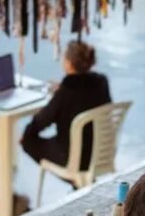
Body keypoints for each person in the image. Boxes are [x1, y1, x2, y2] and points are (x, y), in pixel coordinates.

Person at [21, 40, 111, 173]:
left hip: (72, 158)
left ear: (69, 63)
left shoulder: (66, 92)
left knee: (28, 141)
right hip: (100, 152)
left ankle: (76, 181)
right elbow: (84, 94)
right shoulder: (101, 82)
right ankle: (80, 183)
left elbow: (42, 121)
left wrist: (26, 133)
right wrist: (61, 90)